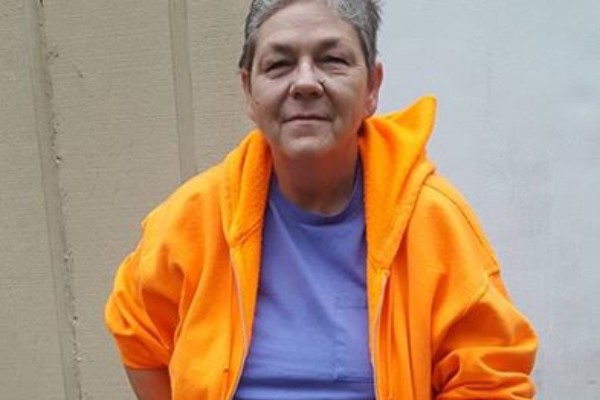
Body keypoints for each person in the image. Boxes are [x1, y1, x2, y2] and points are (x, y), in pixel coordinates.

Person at [105, 0, 538, 399]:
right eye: (279, 64)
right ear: (249, 91)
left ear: (372, 87)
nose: (306, 82)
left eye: (332, 60)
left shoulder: (432, 221)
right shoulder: (194, 218)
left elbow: (491, 380)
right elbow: (137, 329)